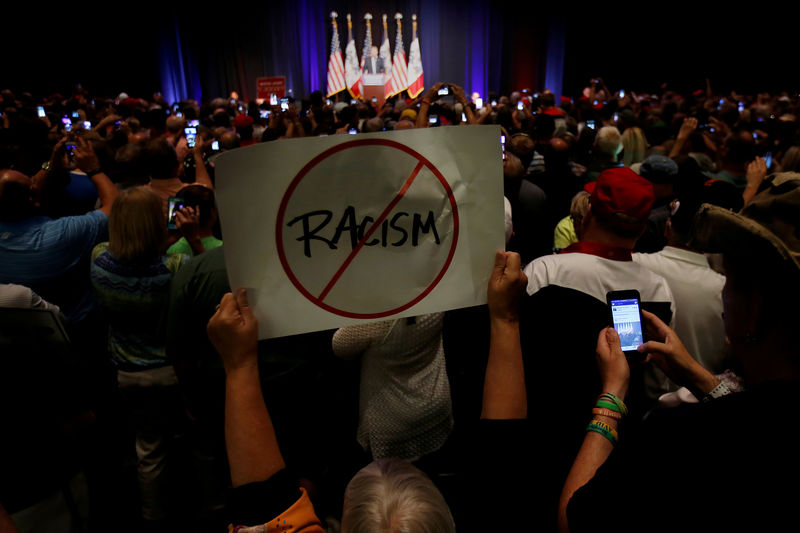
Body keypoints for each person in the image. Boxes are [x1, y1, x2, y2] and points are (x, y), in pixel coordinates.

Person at [559, 172, 800, 531]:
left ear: (755, 309)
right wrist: (696, 375)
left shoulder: (683, 441)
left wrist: (611, 396)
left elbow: (574, 517)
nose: (723, 297)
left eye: (729, 284)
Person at [89, 186, 192, 528]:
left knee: (149, 447)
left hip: (128, 372)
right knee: (185, 441)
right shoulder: (176, 265)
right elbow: (196, 271)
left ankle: (153, 518)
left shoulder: (99, 259)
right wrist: (187, 237)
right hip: (174, 371)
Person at [332, 314, 453, 461]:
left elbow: (340, 347)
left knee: (392, 479)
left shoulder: (378, 318)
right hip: (434, 406)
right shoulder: (438, 295)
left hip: (392, 421)